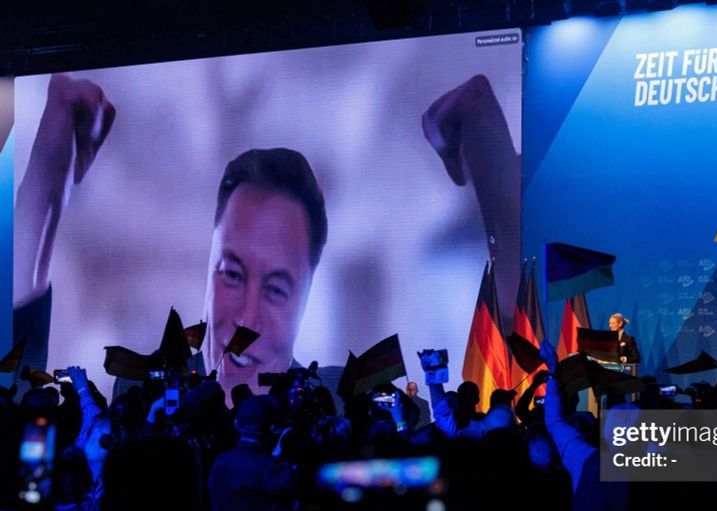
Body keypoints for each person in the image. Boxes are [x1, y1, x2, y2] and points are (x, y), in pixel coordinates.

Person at [14, 72, 520, 401]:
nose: (247, 317)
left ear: (305, 294)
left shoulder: (337, 402)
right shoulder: (146, 394)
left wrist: (482, 131)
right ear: (208, 267)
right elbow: (21, 325)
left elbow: (513, 352)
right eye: (232, 273)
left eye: (277, 288)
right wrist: (58, 129)